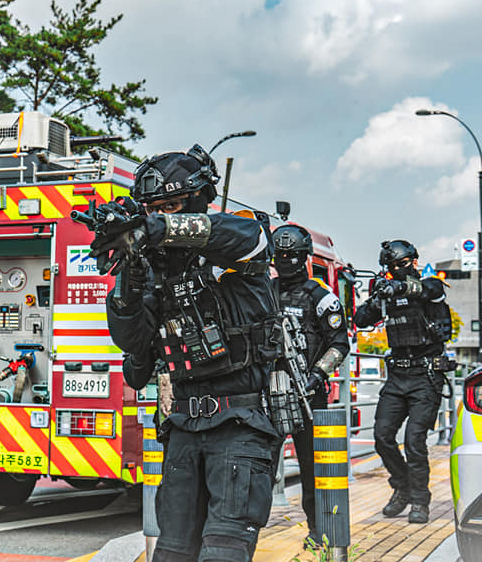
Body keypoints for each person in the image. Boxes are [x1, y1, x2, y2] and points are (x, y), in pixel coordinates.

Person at [96, 144, 279, 562]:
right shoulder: (158, 270)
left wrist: (153, 227)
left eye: (174, 205)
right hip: (181, 427)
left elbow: (243, 237)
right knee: (172, 553)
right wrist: (129, 272)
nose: (166, 214)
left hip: (240, 425)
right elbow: (133, 345)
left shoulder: (240, 241)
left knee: (223, 553)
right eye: (156, 207)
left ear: (199, 198)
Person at [353, 240, 451, 524]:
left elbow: (431, 289)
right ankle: (402, 487)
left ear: (413, 262)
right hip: (397, 377)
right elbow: (360, 320)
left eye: (402, 265)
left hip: (426, 377)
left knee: (414, 442)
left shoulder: (430, 287)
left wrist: (402, 286)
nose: (397, 271)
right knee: (382, 437)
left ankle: (421, 501)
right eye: (392, 268)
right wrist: (376, 298)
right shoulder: (387, 294)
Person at [270, 224, 350, 548]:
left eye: (292, 255)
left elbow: (339, 345)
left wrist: (317, 375)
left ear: (304, 257)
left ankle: (319, 530)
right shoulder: (264, 291)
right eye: (281, 255)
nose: (286, 260)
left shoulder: (321, 297)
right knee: (255, 465)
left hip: (307, 395)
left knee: (312, 469)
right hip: (269, 393)